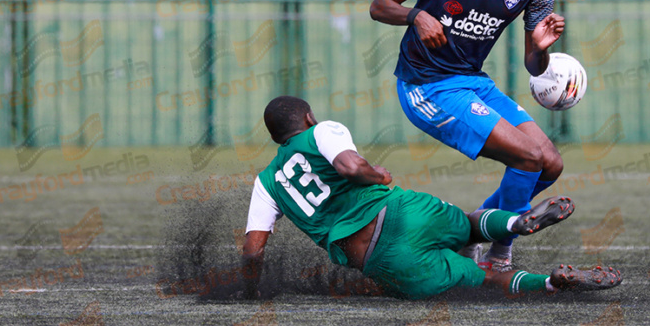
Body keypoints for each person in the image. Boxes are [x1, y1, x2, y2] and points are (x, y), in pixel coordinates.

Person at [240, 96, 622, 300]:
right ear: (307, 118)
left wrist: (251, 292)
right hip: (400, 212)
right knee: (469, 226)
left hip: (380, 259)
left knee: (486, 281)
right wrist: (378, 174)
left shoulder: (265, 183)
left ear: (276, 139)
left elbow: (253, 252)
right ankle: (516, 223)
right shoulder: (321, 130)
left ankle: (551, 285)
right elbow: (350, 167)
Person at [369, 0, 565, 271]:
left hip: (473, 82)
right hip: (426, 85)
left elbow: (533, 65)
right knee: (527, 157)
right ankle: (499, 257)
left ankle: (475, 230)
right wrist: (417, 15)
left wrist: (541, 50)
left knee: (551, 163)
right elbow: (379, 5)